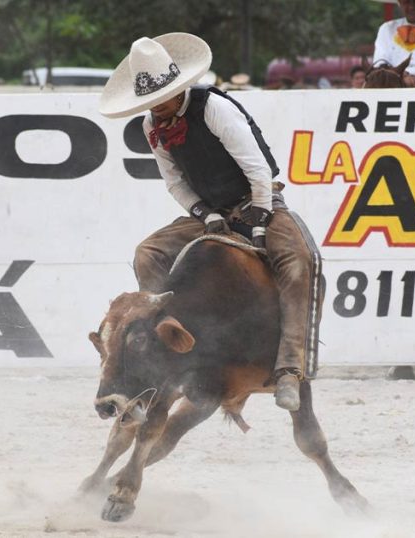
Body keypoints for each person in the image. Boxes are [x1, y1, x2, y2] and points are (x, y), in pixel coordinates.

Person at [98, 33, 325, 411]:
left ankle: (290, 367)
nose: (157, 108)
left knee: (298, 260)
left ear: (178, 87)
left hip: (258, 197)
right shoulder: (152, 126)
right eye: (149, 103)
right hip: (210, 211)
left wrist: (261, 214)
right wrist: (206, 213)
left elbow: (257, 167)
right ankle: (159, 344)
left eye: (161, 99)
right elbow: (174, 181)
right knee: (148, 252)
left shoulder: (214, 108)